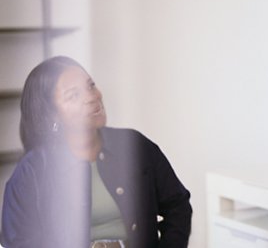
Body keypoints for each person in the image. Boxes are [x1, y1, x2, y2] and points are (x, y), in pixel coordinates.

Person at [1, 56, 192, 248]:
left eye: (90, 86)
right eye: (73, 95)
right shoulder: (31, 173)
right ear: (52, 114)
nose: (91, 97)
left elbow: (178, 206)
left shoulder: (135, 145)